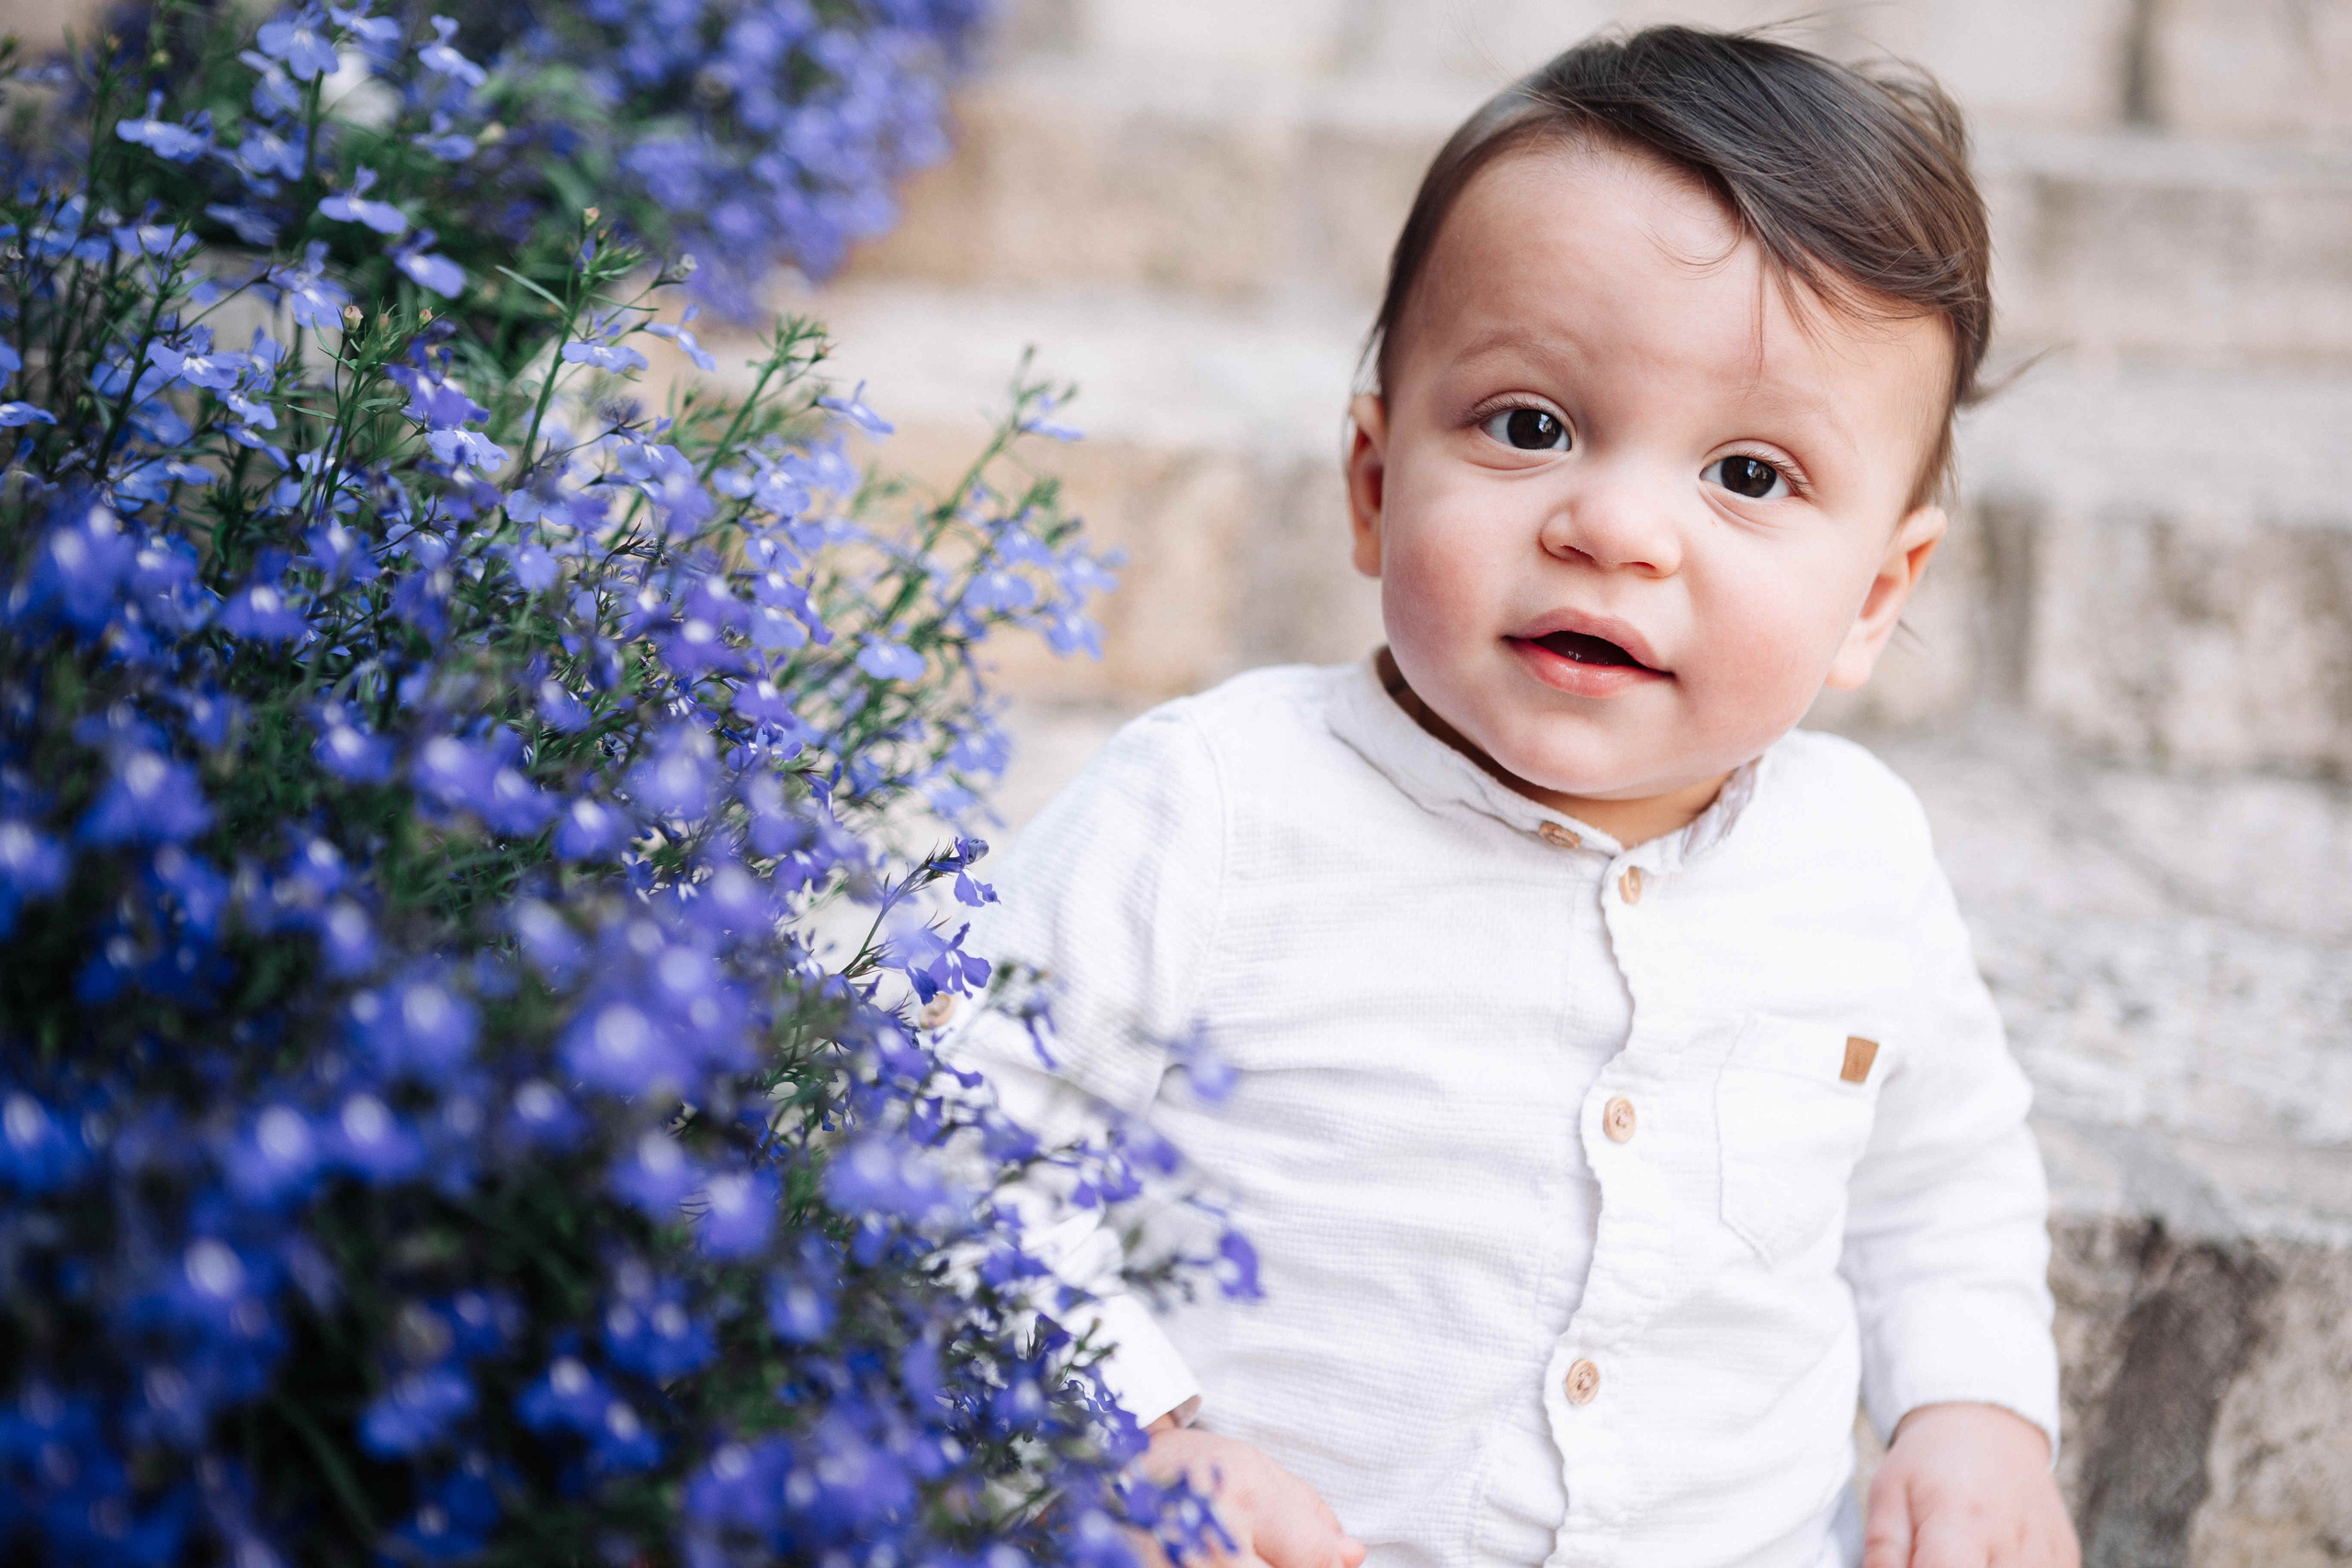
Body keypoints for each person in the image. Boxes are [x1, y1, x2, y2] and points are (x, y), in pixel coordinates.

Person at [944, 25, 2077, 1568]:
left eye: (1749, 475)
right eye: (1528, 427)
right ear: (1371, 481)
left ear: (1879, 593)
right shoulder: (1217, 808)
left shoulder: (1856, 862)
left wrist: (1975, 1412)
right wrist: (1134, 1432)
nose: (1614, 526)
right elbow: (952, 1117)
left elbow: (1940, 1179)